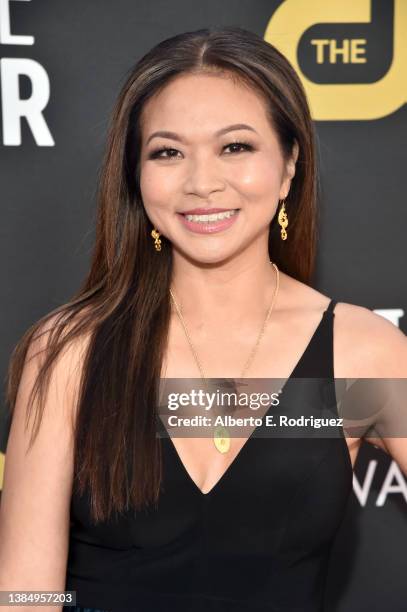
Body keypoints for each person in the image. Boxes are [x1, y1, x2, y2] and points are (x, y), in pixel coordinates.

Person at [0, 26, 406, 612]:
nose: (202, 183)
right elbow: (26, 594)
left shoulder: (361, 353)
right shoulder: (71, 350)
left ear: (290, 165)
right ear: (136, 179)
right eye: (168, 152)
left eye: (235, 147)